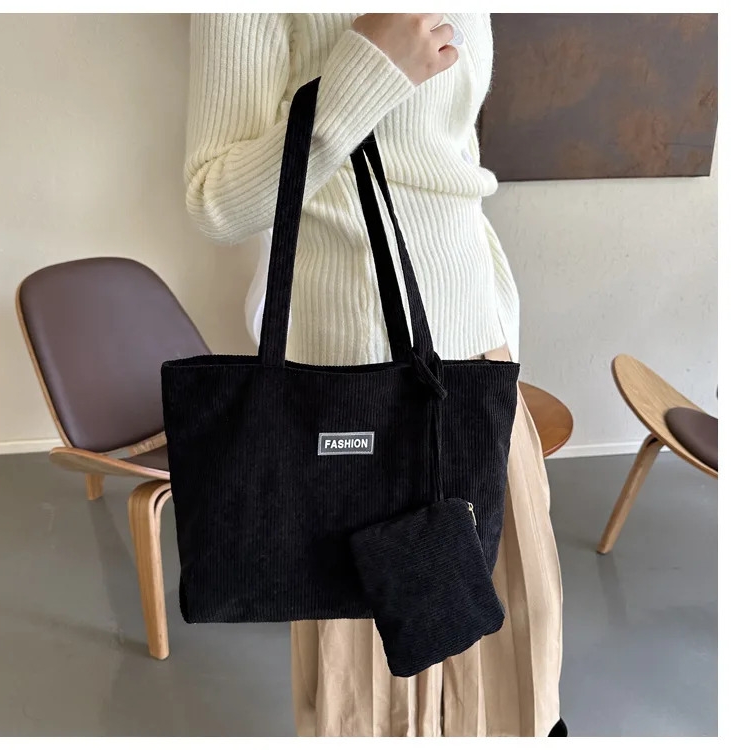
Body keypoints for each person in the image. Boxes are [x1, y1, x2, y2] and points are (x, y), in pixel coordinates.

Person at [184, 12, 565, 738]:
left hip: (476, 357)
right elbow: (214, 201)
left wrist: (495, 315)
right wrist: (363, 76)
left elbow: (447, 157)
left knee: (515, 636)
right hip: (356, 373)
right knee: (379, 688)